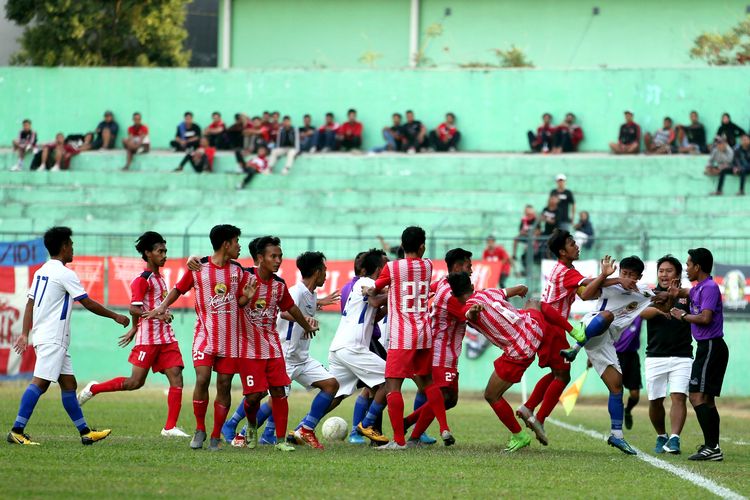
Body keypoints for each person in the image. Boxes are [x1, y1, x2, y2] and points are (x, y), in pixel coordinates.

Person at [7, 226, 129, 446]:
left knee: (69, 384)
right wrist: (115, 316)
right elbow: (87, 301)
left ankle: (85, 432)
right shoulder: (64, 273)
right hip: (53, 337)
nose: (73, 248)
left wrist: (25, 334)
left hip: (49, 337)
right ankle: (17, 430)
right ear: (63, 247)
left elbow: (30, 304)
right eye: (71, 245)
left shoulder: (42, 271)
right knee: (40, 384)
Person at [516, 230, 631, 447]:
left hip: (548, 324)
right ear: (562, 251)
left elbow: (585, 294)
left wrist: (606, 284)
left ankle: (529, 408)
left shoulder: (566, 270)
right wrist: (614, 278)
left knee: (557, 373)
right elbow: (588, 284)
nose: (576, 246)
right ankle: (538, 418)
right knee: (562, 376)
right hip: (552, 326)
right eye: (571, 244)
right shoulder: (564, 271)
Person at [144, 224, 253, 451]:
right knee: (202, 380)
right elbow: (178, 289)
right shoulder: (198, 267)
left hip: (230, 341)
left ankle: (215, 436)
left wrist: (247, 297)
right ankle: (200, 429)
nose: (239, 246)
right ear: (226, 244)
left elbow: (240, 302)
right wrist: (162, 306)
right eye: (236, 242)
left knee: (224, 385)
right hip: (205, 337)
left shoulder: (238, 271)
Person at [450, 273, 582, 451]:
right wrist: (521, 289)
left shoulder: (470, 306)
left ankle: (519, 436)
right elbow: (518, 289)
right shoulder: (488, 293)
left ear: (455, 295)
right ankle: (576, 332)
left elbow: (470, 313)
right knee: (535, 303)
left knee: (491, 395)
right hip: (534, 327)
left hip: (520, 349)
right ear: (472, 287)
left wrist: (473, 312)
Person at [76, 232, 188, 437]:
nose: (164, 255)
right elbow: (133, 308)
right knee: (134, 383)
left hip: (166, 338)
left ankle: (169, 427)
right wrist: (147, 321)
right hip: (149, 339)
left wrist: (153, 317)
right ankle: (94, 388)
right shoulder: (142, 280)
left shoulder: (160, 279)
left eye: (165, 251)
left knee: (176, 377)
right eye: (159, 251)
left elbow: (147, 308)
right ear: (148, 253)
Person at [224, 251, 337, 450]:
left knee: (331, 385)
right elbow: (283, 312)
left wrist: (317, 304)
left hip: (301, 357)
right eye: (325, 271)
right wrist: (305, 319)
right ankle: (241, 434)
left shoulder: (310, 293)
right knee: (269, 399)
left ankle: (306, 429)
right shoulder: (296, 291)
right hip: (285, 355)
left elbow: (300, 307)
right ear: (317, 272)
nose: (326, 275)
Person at [559, 255, 663, 455]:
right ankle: (575, 348)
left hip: (606, 341)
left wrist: (668, 300)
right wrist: (606, 276)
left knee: (617, 387)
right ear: (619, 272)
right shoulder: (609, 285)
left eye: (631, 275)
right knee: (608, 315)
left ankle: (617, 435)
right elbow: (586, 295)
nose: (627, 278)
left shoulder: (643, 293)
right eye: (624, 273)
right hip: (591, 326)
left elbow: (661, 301)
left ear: (639, 277)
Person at [365, 226, 453, 450]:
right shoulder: (428, 265)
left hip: (402, 334)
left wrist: (369, 291)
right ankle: (444, 427)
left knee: (393, 386)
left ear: (402, 246)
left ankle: (399, 441)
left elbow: (375, 288)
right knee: (428, 383)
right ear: (422, 246)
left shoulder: (393, 268)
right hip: (424, 332)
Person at [401, 248, 473, 445]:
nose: (472, 270)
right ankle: (415, 437)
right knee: (441, 395)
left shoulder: (444, 282)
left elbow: (429, 289)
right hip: (440, 352)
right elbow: (472, 317)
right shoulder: (452, 296)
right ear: (458, 267)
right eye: (469, 266)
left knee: (449, 399)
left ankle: (408, 422)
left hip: (446, 351)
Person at [666, 248, 729, 461]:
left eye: (688, 264)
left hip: (710, 346)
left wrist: (682, 316)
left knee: (696, 396)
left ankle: (712, 447)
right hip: (707, 347)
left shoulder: (709, 287)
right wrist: (670, 294)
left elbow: (705, 318)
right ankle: (713, 447)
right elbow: (683, 293)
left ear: (698, 267)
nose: (686, 268)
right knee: (707, 400)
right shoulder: (698, 288)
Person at [328, 249, 391, 445]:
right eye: (385, 265)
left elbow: (373, 312)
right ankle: (366, 426)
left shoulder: (354, 285)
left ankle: (303, 427)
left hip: (347, 344)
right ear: (378, 268)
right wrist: (396, 292)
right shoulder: (366, 283)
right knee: (387, 382)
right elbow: (373, 300)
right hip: (358, 345)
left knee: (337, 392)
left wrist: (389, 299)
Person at [645, 255, 693, 455]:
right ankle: (661, 435)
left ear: (678, 274)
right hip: (655, 355)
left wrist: (677, 296)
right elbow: (641, 313)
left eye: (669, 271)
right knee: (655, 400)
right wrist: (659, 309)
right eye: (661, 271)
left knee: (678, 397)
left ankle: (674, 438)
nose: (664, 275)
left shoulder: (688, 295)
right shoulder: (651, 294)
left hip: (682, 355)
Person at [614, 317, 642, 430]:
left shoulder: (639, 313)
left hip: (632, 356)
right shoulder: (616, 314)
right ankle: (616, 424)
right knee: (617, 391)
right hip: (616, 356)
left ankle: (628, 410)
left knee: (635, 394)